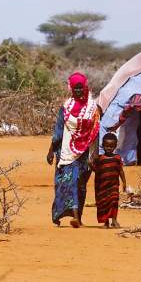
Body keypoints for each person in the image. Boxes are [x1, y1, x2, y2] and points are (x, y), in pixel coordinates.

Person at [47, 72, 99, 227]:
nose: (78, 91)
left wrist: (94, 154)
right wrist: (50, 150)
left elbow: (96, 131)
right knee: (68, 182)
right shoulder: (65, 108)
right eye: (75, 88)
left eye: (80, 88)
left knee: (81, 186)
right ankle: (63, 215)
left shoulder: (93, 108)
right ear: (71, 89)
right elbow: (58, 131)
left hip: (86, 153)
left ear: (86, 87)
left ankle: (78, 216)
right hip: (67, 152)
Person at [92, 133, 127, 228]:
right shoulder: (100, 159)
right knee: (104, 203)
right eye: (107, 146)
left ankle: (114, 220)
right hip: (103, 187)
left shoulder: (117, 158)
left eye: (111, 146)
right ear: (103, 146)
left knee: (114, 202)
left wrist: (124, 182)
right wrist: (91, 165)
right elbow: (97, 171)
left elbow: (121, 171)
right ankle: (106, 222)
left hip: (114, 186)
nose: (109, 148)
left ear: (115, 146)